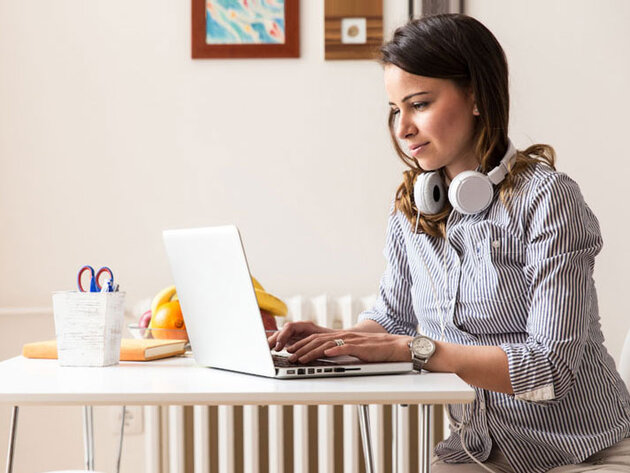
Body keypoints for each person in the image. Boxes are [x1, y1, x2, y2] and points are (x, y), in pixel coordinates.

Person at [267, 13, 630, 473]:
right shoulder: (412, 207)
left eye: (419, 104)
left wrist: (413, 350)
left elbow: (549, 366)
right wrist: (338, 339)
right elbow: (393, 317)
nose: (403, 129)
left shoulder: (547, 198)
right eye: (396, 110)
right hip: (478, 453)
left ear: (476, 96)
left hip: (584, 454)